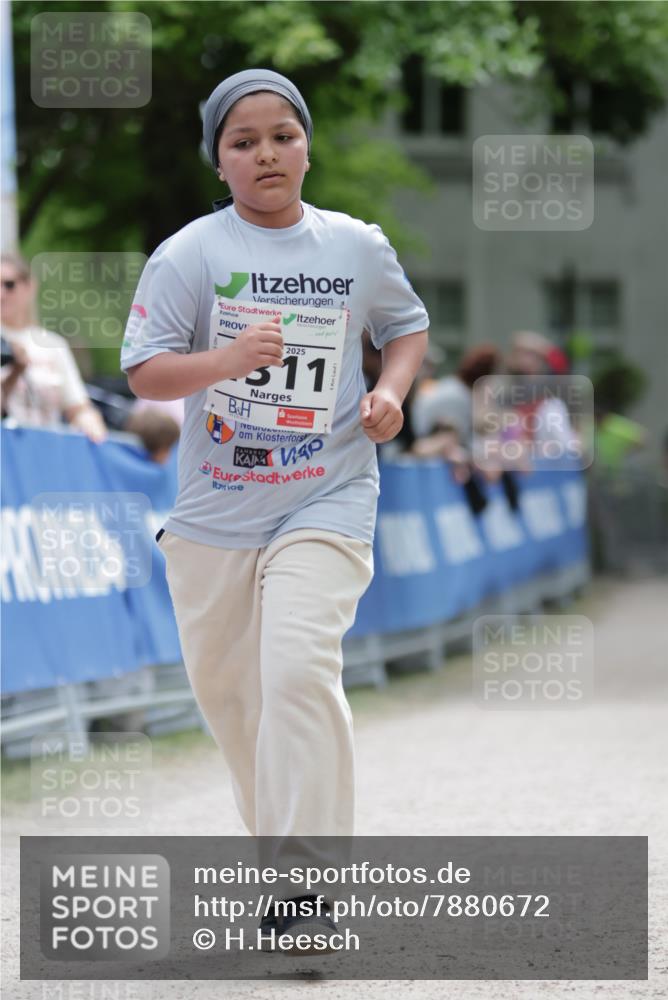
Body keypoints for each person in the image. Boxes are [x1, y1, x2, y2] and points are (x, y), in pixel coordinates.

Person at [120, 68, 429, 952]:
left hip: (329, 490)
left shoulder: (356, 247)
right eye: (243, 141)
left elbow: (404, 329)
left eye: (283, 135)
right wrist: (227, 358)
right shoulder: (191, 254)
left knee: (297, 672)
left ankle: (306, 896)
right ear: (219, 160)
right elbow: (143, 371)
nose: (266, 154)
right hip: (216, 512)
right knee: (235, 706)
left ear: (307, 144)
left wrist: (391, 391)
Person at [0, 253, 107, 441]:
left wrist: (89, 420)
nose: (1, 294)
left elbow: (77, 407)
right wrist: (16, 370)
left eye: (9, 285)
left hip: (45, 451)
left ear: (29, 286)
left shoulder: (53, 345)